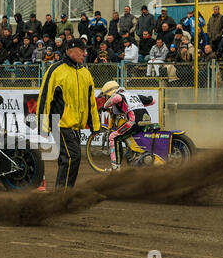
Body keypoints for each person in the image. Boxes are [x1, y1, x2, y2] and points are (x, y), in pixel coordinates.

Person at [36, 38, 100, 190]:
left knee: (69, 159)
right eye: (82, 50)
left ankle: (64, 192)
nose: (85, 53)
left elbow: (91, 102)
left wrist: (95, 125)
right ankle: (61, 196)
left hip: (75, 127)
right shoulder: (55, 70)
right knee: (72, 157)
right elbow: (45, 98)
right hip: (60, 123)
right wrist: (43, 126)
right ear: (70, 51)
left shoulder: (85, 73)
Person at [99, 81, 155, 171]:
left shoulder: (119, 96)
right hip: (147, 119)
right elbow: (152, 101)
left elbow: (116, 98)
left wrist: (105, 106)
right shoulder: (132, 95)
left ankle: (115, 167)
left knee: (113, 137)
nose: (107, 98)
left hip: (134, 121)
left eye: (107, 96)